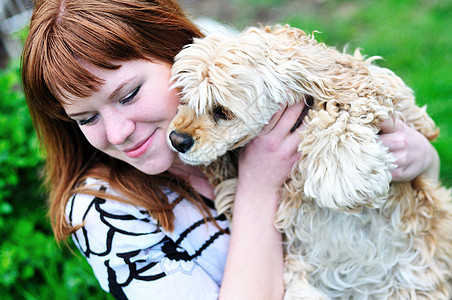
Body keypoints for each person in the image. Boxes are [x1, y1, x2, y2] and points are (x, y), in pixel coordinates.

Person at [21, 0, 439, 299]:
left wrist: (421, 158)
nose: (117, 133)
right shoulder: (103, 212)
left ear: (176, 51)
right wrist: (258, 184)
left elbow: (409, 205)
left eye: (128, 95)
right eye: (86, 119)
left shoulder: (244, 87)